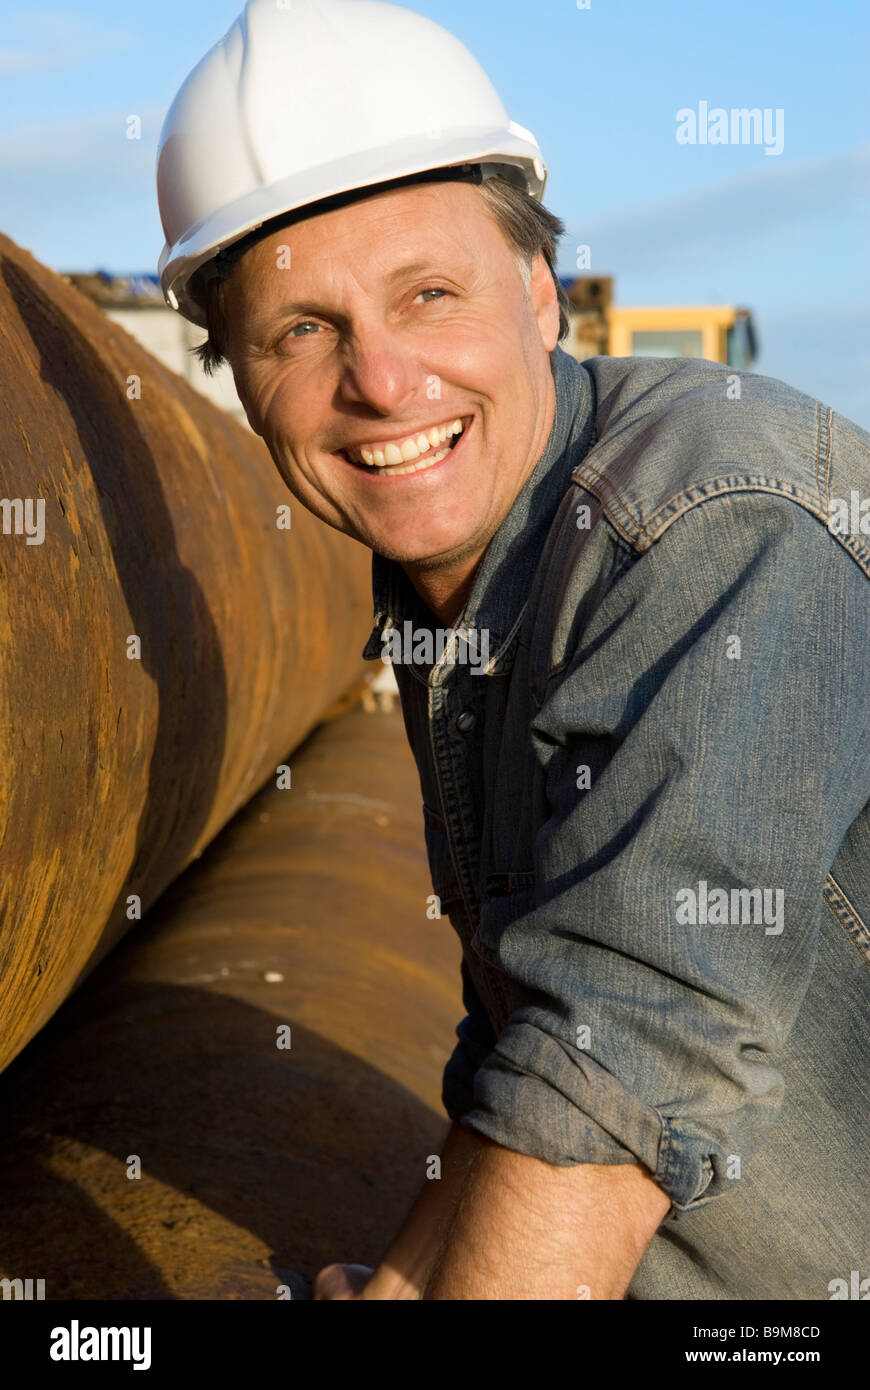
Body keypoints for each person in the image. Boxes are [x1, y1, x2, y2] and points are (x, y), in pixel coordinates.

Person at [157, 0, 870, 1300]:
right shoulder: (454, 592)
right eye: (301, 330)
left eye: (427, 294)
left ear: (540, 294)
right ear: (239, 377)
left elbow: (632, 1047)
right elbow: (529, 1046)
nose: (381, 380)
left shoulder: (717, 517)